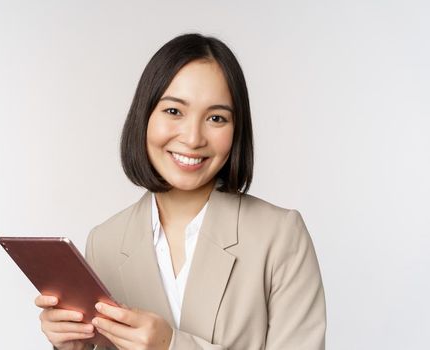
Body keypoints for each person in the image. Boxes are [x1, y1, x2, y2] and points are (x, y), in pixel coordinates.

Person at [33, 33, 326, 350]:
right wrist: (72, 347)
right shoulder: (104, 242)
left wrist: (171, 345)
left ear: (236, 130)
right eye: (174, 111)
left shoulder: (280, 236)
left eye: (216, 118)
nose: (192, 137)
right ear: (144, 117)